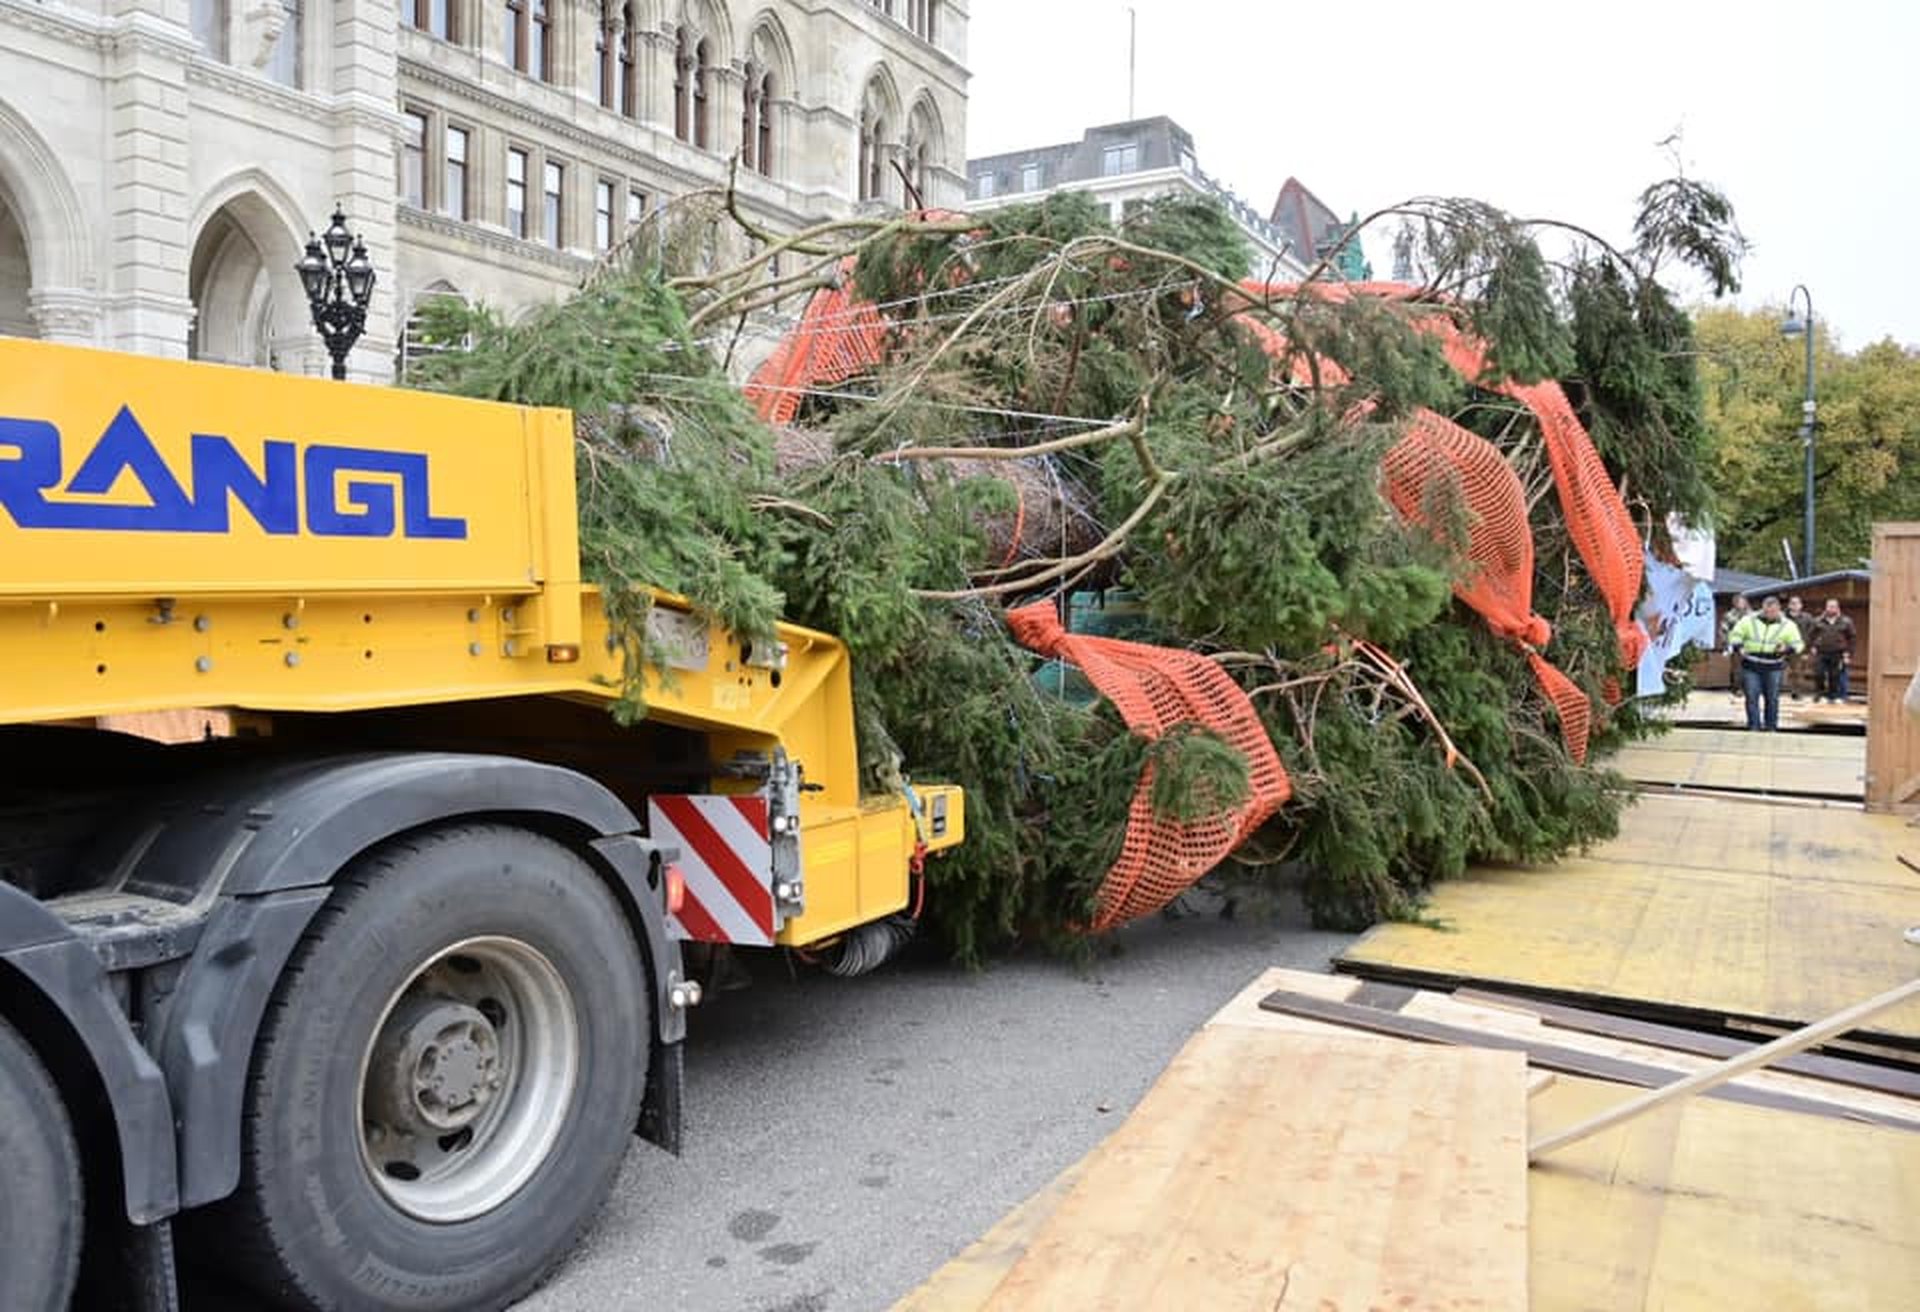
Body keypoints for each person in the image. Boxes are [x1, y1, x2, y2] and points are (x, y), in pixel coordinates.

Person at [1727, 594, 1805, 731]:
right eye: (1767, 611)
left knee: (1772, 698)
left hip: (1774, 666)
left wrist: (1786, 648)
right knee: (1751, 697)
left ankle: (1771, 727)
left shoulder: (1788, 625)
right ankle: (1754, 726)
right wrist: (1739, 647)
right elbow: (1734, 636)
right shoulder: (1748, 620)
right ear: (1762, 609)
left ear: (1779, 609)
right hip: (1751, 664)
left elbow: (1799, 645)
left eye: (1773, 612)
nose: (1770, 614)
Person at [1808, 599, 1857, 703]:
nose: (1831, 609)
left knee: (1834, 675)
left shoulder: (1846, 621)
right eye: (1829, 606)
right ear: (1826, 607)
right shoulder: (1818, 621)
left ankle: (1833, 696)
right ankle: (1819, 694)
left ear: (1838, 608)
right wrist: (1812, 646)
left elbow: (1852, 638)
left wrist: (1848, 653)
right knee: (1819, 673)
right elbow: (1810, 635)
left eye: (1833, 606)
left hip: (1838, 652)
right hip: (1821, 652)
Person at [1719, 594, 1753, 700]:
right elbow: (1723, 630)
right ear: (1735, 603)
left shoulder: (1751, 615)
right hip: (1735, 644)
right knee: (1737, 667)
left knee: (1751, 668)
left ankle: (1750, 688)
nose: (1741, 604)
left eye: (1742, 601)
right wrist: (1726, 643)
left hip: (1750, 645)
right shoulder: (1729, 615)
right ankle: (1737, 688)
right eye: (1738, 602)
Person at [1783, 595, 1816, 699]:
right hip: (1783, 648)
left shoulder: (1807, 618)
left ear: (1801, 605)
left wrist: (1808, 650)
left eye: (1796, 603)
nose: (1794, 605)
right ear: (1789, 605)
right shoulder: (1783, 617)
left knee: (1798, 671)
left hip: (1799, 649)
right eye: (1792, 603)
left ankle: (1796, 692)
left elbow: (1812, 634)